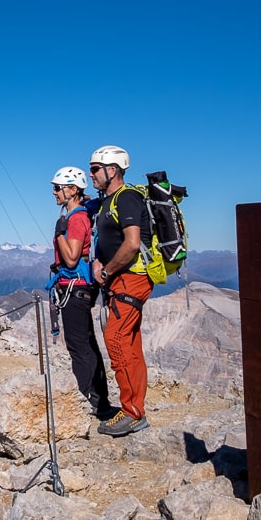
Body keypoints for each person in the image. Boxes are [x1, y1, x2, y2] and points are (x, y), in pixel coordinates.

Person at [89, 145, 152, 437]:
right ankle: (135, 407)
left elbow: (131, 243)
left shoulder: (126, 198)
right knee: (130, 343)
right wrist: (100, 260)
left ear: (111, 170)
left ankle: (132, 413)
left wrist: (106, 270)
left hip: (131, 278)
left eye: (95, 169)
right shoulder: (107, 202)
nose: (91, 175)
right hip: (120, 279)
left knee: (114, 338)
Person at [46, 166, 114, 420]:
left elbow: (72, 258)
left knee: (79, 347)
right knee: (87, 345)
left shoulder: (75, 219)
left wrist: (60, 233)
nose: (53, 193)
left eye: (57, 188)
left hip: (74, 288)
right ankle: (100, 401)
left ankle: (88, 402)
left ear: (72, 189)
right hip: (78, 289)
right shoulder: (80, 213)